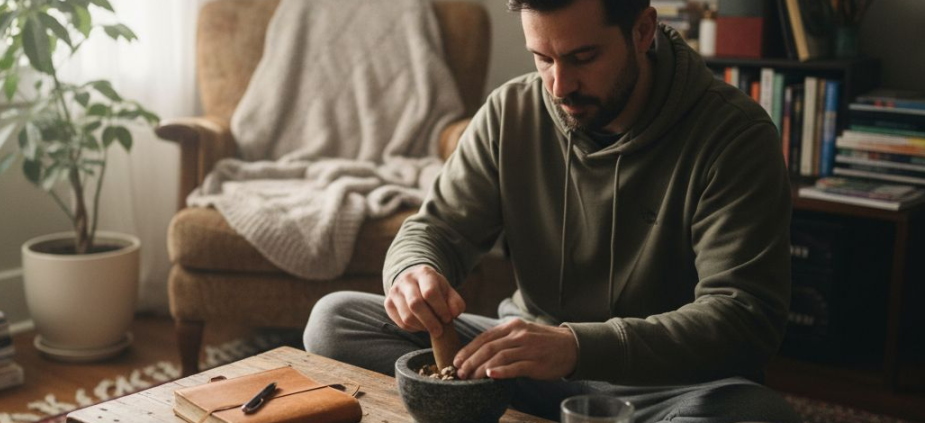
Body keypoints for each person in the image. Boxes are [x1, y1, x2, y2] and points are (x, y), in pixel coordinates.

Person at [304, 0, 801, 421]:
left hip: (660, 388)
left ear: (642, 31)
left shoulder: (734, 135)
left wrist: (574, 347)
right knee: (334, 320)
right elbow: (436, 228)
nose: (559, 85)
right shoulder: (510, 111)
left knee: (758, 413)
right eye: (542, 58)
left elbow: (743, 318)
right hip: (517, 367)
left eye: (583, 57)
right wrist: (414, 270)